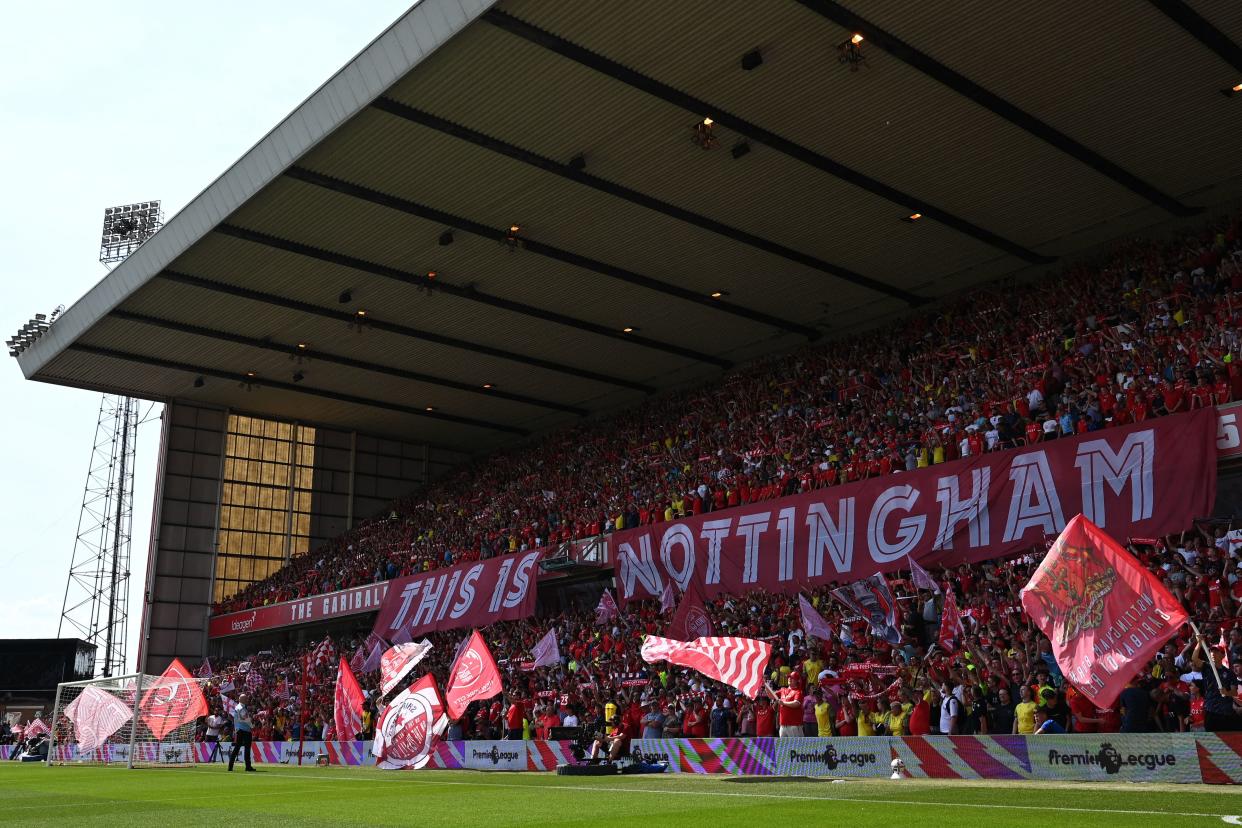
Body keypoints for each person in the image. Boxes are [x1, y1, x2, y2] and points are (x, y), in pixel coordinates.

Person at [228, 694, 255, 772]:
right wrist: (252, 726)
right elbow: (246, 718)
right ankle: (248, 766)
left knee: (237, 748)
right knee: (246, 749)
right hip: (245, 730)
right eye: (246, 698)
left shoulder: (237, 707)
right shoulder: (241, 708)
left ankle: (230, 766)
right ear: (243, 699)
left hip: (239, 730)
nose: (247, 700)